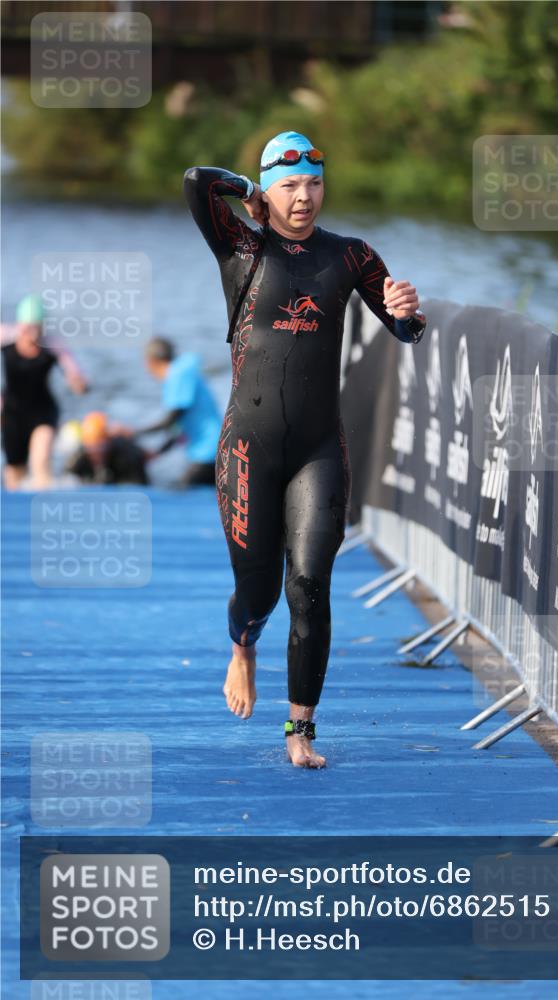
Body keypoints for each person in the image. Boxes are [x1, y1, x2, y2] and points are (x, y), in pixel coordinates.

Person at [184, 130, 426, 768]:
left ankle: (300, 732)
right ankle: (243, 644)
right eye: (290, 185)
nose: (304, 197)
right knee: (259, 593)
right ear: (270, 189)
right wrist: (248, 195)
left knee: (310, 586)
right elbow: (195, 181)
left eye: (314, 183)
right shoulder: (242, 246)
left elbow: (404, 328)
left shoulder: (349, 257)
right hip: (248, 448)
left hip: (319, 448)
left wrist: (408, 313)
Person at [1, 294, 88, 490]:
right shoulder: (6, 337)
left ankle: (45, 512)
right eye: (27, 328)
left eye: (36, 329)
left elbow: (74, 373)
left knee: (40, 462)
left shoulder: (52, 345)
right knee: (14, 473)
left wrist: (78, 383)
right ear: (19, 324)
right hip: (12, 414)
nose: (31, 335)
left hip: (43, 412)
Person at [133, 338, 221, 487]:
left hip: (209, 452)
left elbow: (170, 420)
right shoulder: (180, 373)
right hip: (210, 451)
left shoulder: (178, 375)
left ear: (151, 361)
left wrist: (133, 432)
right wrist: (158, 453)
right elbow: (177, 429)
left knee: (180, 493)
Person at [66, 411, 149, 485]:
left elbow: (137, 487)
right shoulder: (79, 457)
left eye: (102, 447)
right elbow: (67, 478)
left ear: (109, 443)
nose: (97, 454)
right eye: (92, 448)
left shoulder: (126, 454)